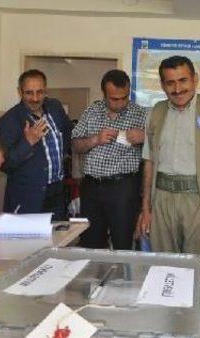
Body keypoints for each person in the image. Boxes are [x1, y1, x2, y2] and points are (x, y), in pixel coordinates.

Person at [137, 55, 200, 334]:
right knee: (165, 272)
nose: (178, 88)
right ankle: (169, 330)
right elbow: (148, 163)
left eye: (183, 80)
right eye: (170, 83)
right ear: (162, 85)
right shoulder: (155, 113)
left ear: (194, 79)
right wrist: (146, 209)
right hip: (163, 201)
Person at [71, 69, 147, 249]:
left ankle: (121, 277)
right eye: (114, 99)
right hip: (91, 187)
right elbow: (75, 145)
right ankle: (95, 277)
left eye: (124, 97)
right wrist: (95, 139)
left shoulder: (141, 114)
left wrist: (145, 138)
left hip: (123, 188)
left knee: (123, 241)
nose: (120, 103)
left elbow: (157, 149)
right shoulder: (92, 111)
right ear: (104, 94)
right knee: (91, 241)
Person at [0, 69, 73, 221]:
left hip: (57, 193)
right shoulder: (9, 121)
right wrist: (28, 142)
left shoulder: (55, 107)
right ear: (20, 92)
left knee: (56, 240)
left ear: (46, 91)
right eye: (29, 93)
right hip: (27, 198)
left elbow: (68, 132)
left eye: (40, 92)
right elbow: (5, 164)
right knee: (29, 244)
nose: (35, 98)